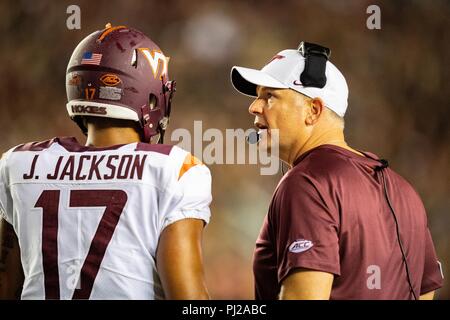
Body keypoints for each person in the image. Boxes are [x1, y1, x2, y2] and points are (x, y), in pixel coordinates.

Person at [0, 24, 212, 300]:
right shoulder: (175, 168)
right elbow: (189, 301)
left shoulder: (18, 164)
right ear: (151, 95)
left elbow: (7, 284)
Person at [230, 42, 444, 300]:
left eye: (269, 96)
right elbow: (425, 291)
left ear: (313, 110)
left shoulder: (307, 182)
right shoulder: (404, 189)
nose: (253, 107)